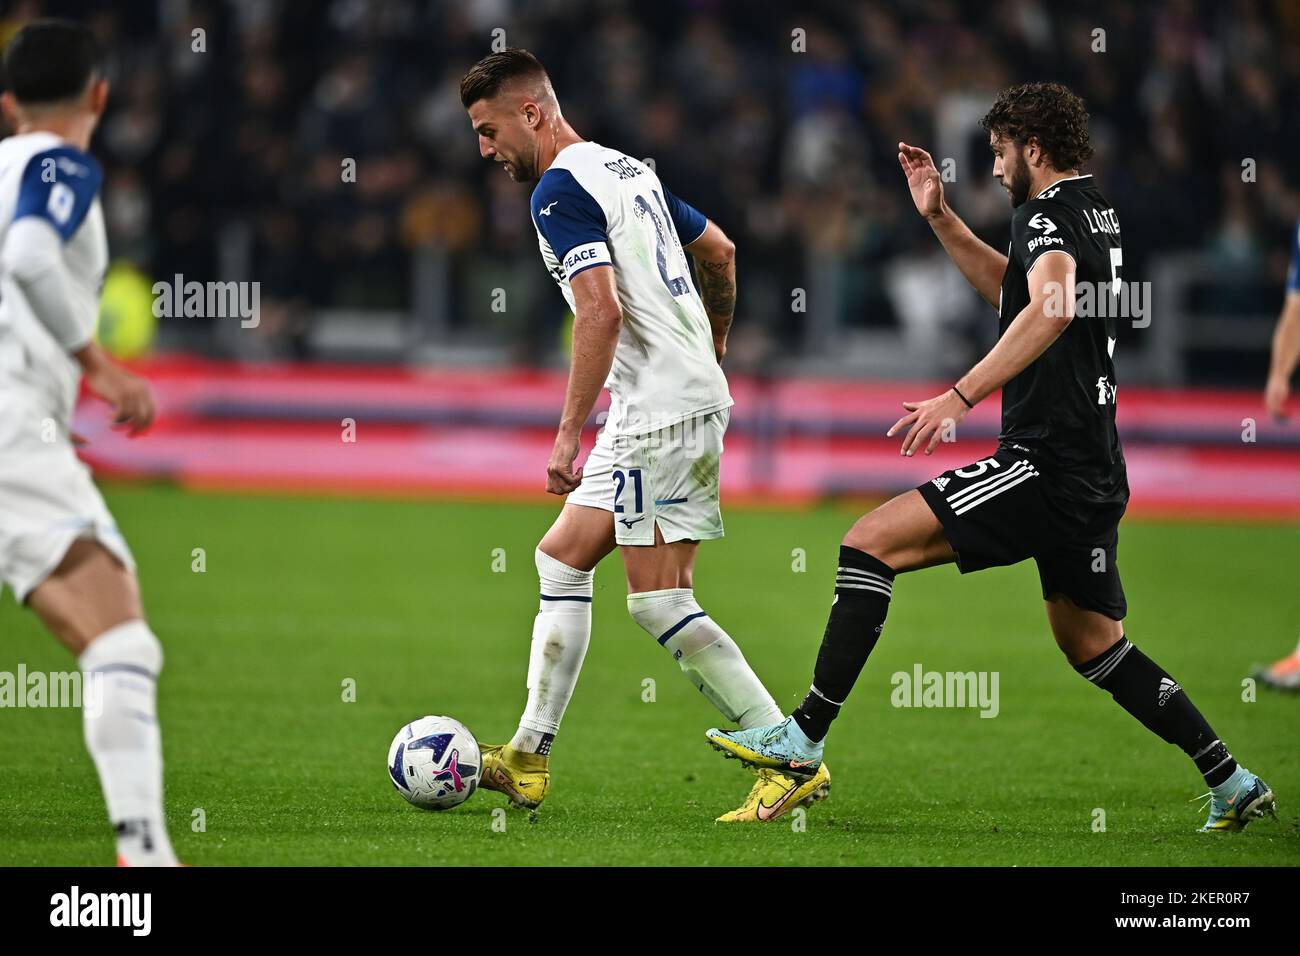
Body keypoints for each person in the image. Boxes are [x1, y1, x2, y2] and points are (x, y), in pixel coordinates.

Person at [707, 82, 1275, 832]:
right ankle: (1231, 780)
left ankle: (802, 740)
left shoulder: (1044, 214)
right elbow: (1020, 297)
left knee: (867, 543)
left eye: (1002, 152)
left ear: (1032, 149)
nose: (997, 168)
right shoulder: (1089, 210)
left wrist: (959, 396)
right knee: (1093, 644)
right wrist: (941, 219)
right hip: (1093, 464)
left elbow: (1050, 307)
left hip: (1047, 459)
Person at [459, 48, 829, 822]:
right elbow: (720, 250)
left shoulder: (558, 191)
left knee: (658, 599)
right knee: (560, 557)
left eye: (490, 131)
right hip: (657, 401)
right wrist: (714, 339)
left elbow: (602, 312)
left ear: (532, 112)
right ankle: (528, 756)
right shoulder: (627, 170)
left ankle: (787, 750)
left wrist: (566, 437)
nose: (485, 151)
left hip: (660, 410)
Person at [0, 19, 178, 864]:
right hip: (12, 433)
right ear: (99, 96)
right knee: (121, 644)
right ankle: (143, 861)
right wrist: (97, 366)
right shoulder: (57, 164)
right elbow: (31, 253)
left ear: (6, 104)